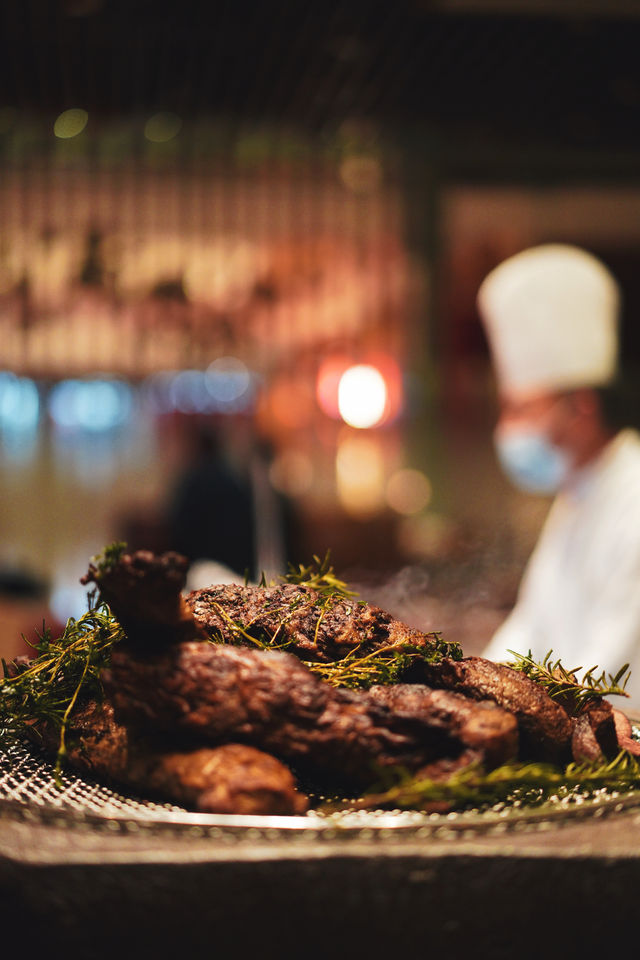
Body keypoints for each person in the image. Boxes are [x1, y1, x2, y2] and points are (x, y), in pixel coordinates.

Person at [477, 243, 640, 708]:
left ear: (582, 407)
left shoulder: (635, 497)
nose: (508, 430)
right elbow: (532, 627)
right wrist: (476, 692)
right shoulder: (579, 492)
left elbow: (613, 667)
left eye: (524, 409)